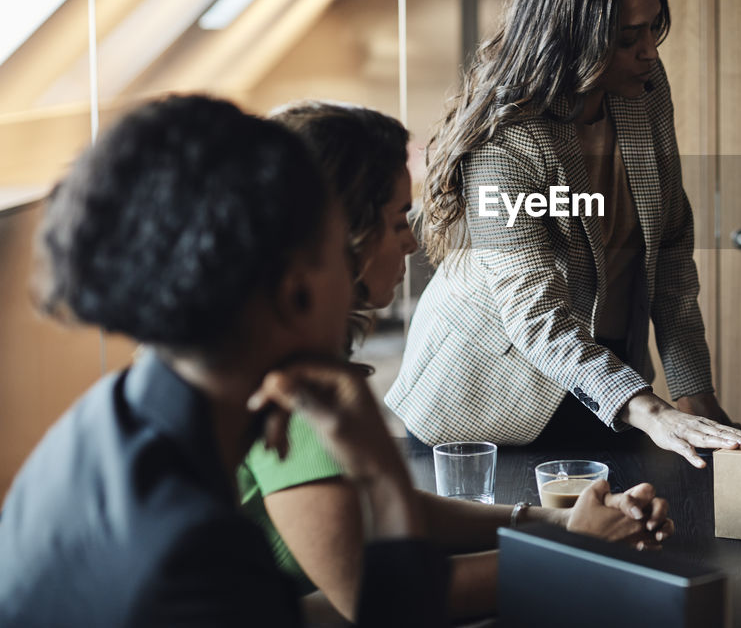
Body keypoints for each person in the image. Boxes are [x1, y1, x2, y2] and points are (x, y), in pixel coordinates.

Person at [0, 95, 443, 626]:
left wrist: (377, 471)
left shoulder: (107, 416)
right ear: (296, 291)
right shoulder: (198, 560)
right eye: (336, 254)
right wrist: (385, 478)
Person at [240, 101, 672, 621]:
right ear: (341, 231)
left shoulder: (298, 353)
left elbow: (382, 514)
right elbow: (387, 602)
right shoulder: (286, 385)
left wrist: (555, 523)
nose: (411, 239)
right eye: (399, 216)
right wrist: (578, 550)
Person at [387, 0, 741, 467]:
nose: (649, 51)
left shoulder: (643, 90)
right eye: (629, 35)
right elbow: (535, 315)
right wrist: (652, 411)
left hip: (608, 383)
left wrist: (693, 389)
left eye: (654, 28)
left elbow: (669, 243)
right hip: (487, 400)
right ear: (571, 37)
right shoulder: (504, 145)